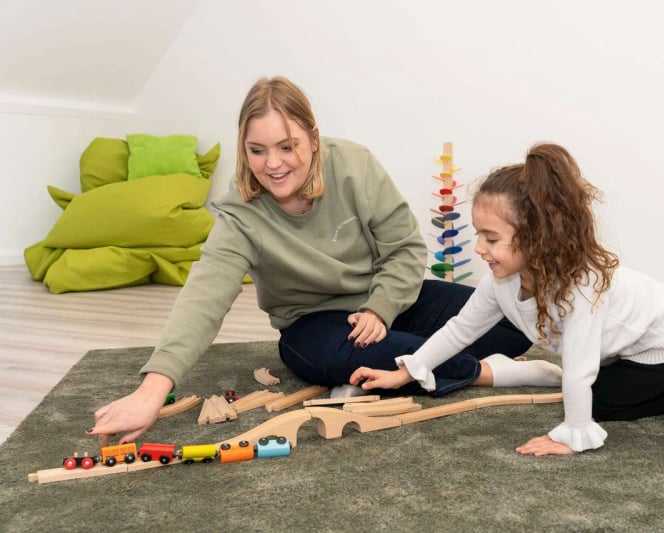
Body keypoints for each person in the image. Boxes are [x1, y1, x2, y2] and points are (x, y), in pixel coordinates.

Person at [89, 77, 559, 444]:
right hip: (314, 325)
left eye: (287, 146)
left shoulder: (354, 165)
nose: (273, 164)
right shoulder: (240, 212)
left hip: (387, 303)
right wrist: (151, 391)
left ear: (312, 138)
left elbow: (405, 249)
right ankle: (484, 372)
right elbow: (204, 298)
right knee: (376, 354)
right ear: (243, 148)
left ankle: (407, 364)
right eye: (257, 150)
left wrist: (380, 309)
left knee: (513, 322)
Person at [350, 143, 664, 456]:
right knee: (586, 390)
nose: (479, 248)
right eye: (479, 235)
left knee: (599, 403)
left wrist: (572, 436)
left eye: (491, 239)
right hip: (627, 346)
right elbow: (462, 328)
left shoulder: (580, 288)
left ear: (536, 238)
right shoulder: (501, 280)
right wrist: (408, 371)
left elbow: (579, 371)